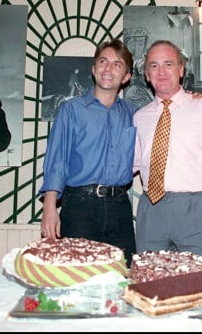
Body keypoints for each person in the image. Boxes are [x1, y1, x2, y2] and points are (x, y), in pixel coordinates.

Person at [133, 40, 202, 268]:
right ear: (146, 74)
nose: (161, 71)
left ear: (181, 70)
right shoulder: (139, 117)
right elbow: (129, 164)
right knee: (151, 285)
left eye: (168, 64)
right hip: (150, 211)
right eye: (154, 65)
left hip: (196, 211)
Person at [38, 39, 138, 267]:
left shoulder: (135, 115)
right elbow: (57, 162)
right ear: (94, 69)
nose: (108, 68)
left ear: (126, 76)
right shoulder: (71, 110)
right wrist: (49, 208)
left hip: (120, 208)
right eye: (103, 61)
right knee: (76, 280)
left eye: (117, 64)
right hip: (79, 208)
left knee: (123, 278)